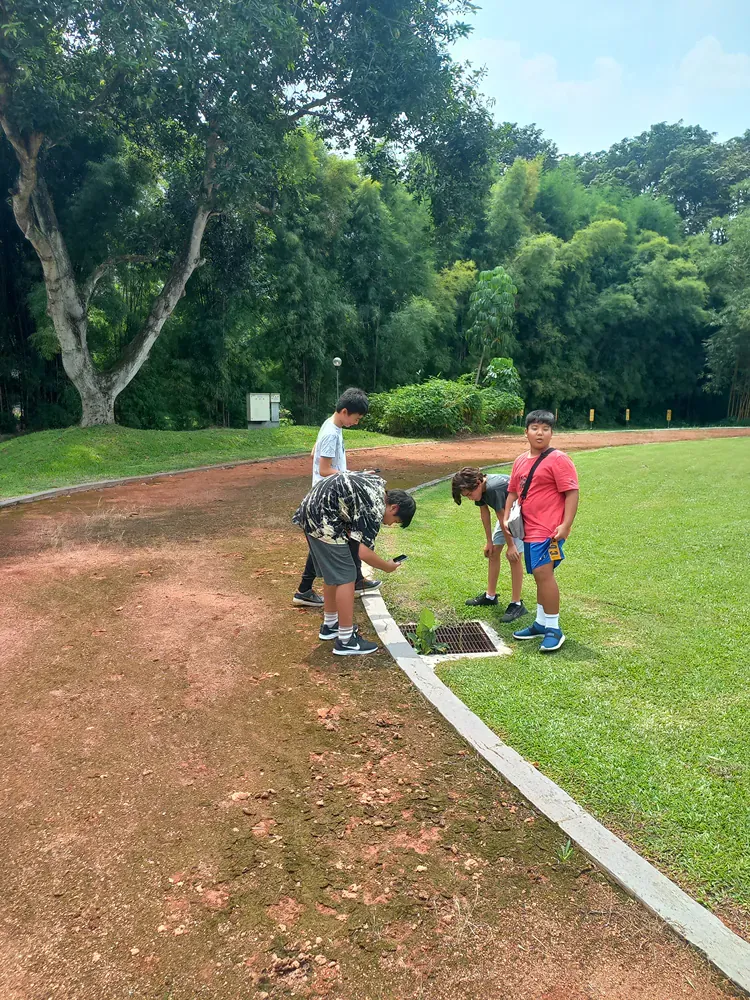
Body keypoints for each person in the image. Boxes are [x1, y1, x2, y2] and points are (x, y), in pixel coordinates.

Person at [293, 471, 416, 655]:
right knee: (347, 577)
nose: (390, 524)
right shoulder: (375, 508)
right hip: (324, 519)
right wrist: (387, 566)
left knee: (335, 573)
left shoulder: (376, 486)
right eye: (395, 521)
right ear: (394, 508)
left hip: (311, 511)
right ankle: (346, 640)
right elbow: (363, 551)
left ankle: (330, 625)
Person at [292, 388, 382, 608]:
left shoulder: (330, 425)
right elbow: (324, 469)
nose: (356, 423)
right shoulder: (332, 433)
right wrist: (355, 476)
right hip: (329, 499)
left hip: (328, 495)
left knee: (328, 540)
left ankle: (307, 589)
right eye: (356, 418)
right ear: (344, 411)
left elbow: (314, 454)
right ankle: (312, 589)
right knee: (338, 538)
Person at [503, 410, 579, 653]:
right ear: (525, 432)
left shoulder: (559, 459)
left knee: (543, 574)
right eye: (535, 428)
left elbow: (572, 492)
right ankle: (540, 622)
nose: (540, 433)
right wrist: (506, 516)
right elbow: (512, 492)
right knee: (538, 575)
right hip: (528, 530)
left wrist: (566, 525)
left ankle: (554, 629)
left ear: (551, 433)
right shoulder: (519, 461)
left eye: (545, 429)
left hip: (548, 530)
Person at [451, 467, 528, 623]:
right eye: (466, 496)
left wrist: (511, 545)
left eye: (469, 494)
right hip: (507, 514)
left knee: (514, 557)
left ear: (478, 483)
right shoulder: (480, 489)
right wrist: (489, 542)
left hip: (520, 514)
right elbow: (484, 512)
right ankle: (490, 596)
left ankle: (516, 604)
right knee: (493, 553)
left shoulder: (493, 488)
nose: (470, 498)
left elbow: (502, 517)